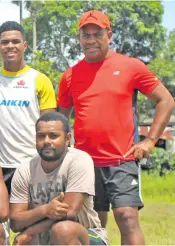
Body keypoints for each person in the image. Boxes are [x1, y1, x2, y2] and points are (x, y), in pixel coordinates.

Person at [57, 10, 175, 245]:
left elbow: (166, 100)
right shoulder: (70, 76)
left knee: (127, 216)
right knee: (93, 223)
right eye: (85, 35)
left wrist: (150, 140)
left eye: (97, 34)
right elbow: (61, 118)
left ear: (109, 35)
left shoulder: (131, 66)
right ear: (79, 38)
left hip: (123, 158)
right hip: (85, 163)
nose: (90, 40)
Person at [9, 112, 108, 245]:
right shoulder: (25, 169)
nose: (46, 141)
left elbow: (69, 212)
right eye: (41, 136)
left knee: (63, 230)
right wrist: (45, 210)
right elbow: (15, 222)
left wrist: (30, 231)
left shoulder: (79, 160)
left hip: (86, 235)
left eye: (54, 136)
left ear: (67, 139)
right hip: (43, 238)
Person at [0, 21, 57, 193]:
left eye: (15, 41)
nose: (10, 46)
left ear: (25, 45)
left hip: (32, 164)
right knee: (0, 218)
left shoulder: (40, 79)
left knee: (34, 218)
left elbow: (49, 127)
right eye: (5, 42)